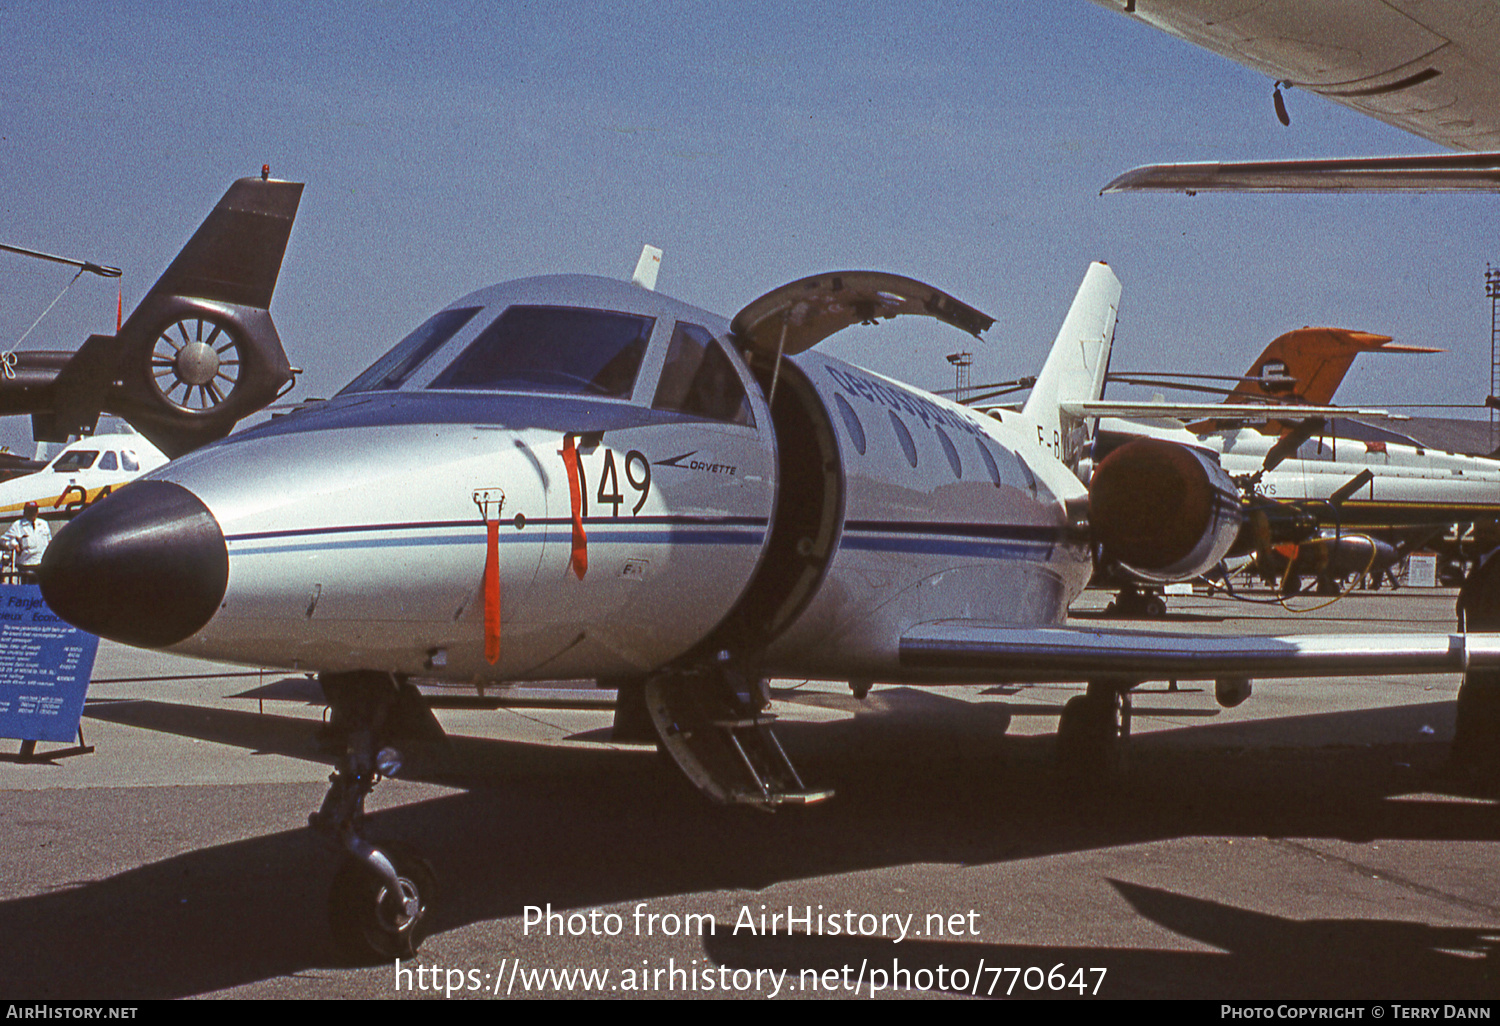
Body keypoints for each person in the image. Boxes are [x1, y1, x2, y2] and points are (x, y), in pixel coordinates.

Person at [3, 502, 51, 582]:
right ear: (25, 512)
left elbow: (49, 541)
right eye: (30, 510)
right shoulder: (18, 525)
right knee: (27, 589)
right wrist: (14, 544)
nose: (33, 513)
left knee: (41, 590)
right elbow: (3, 540)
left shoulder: (43, 524)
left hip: (42, 564)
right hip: (26, 565)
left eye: (35, 510)